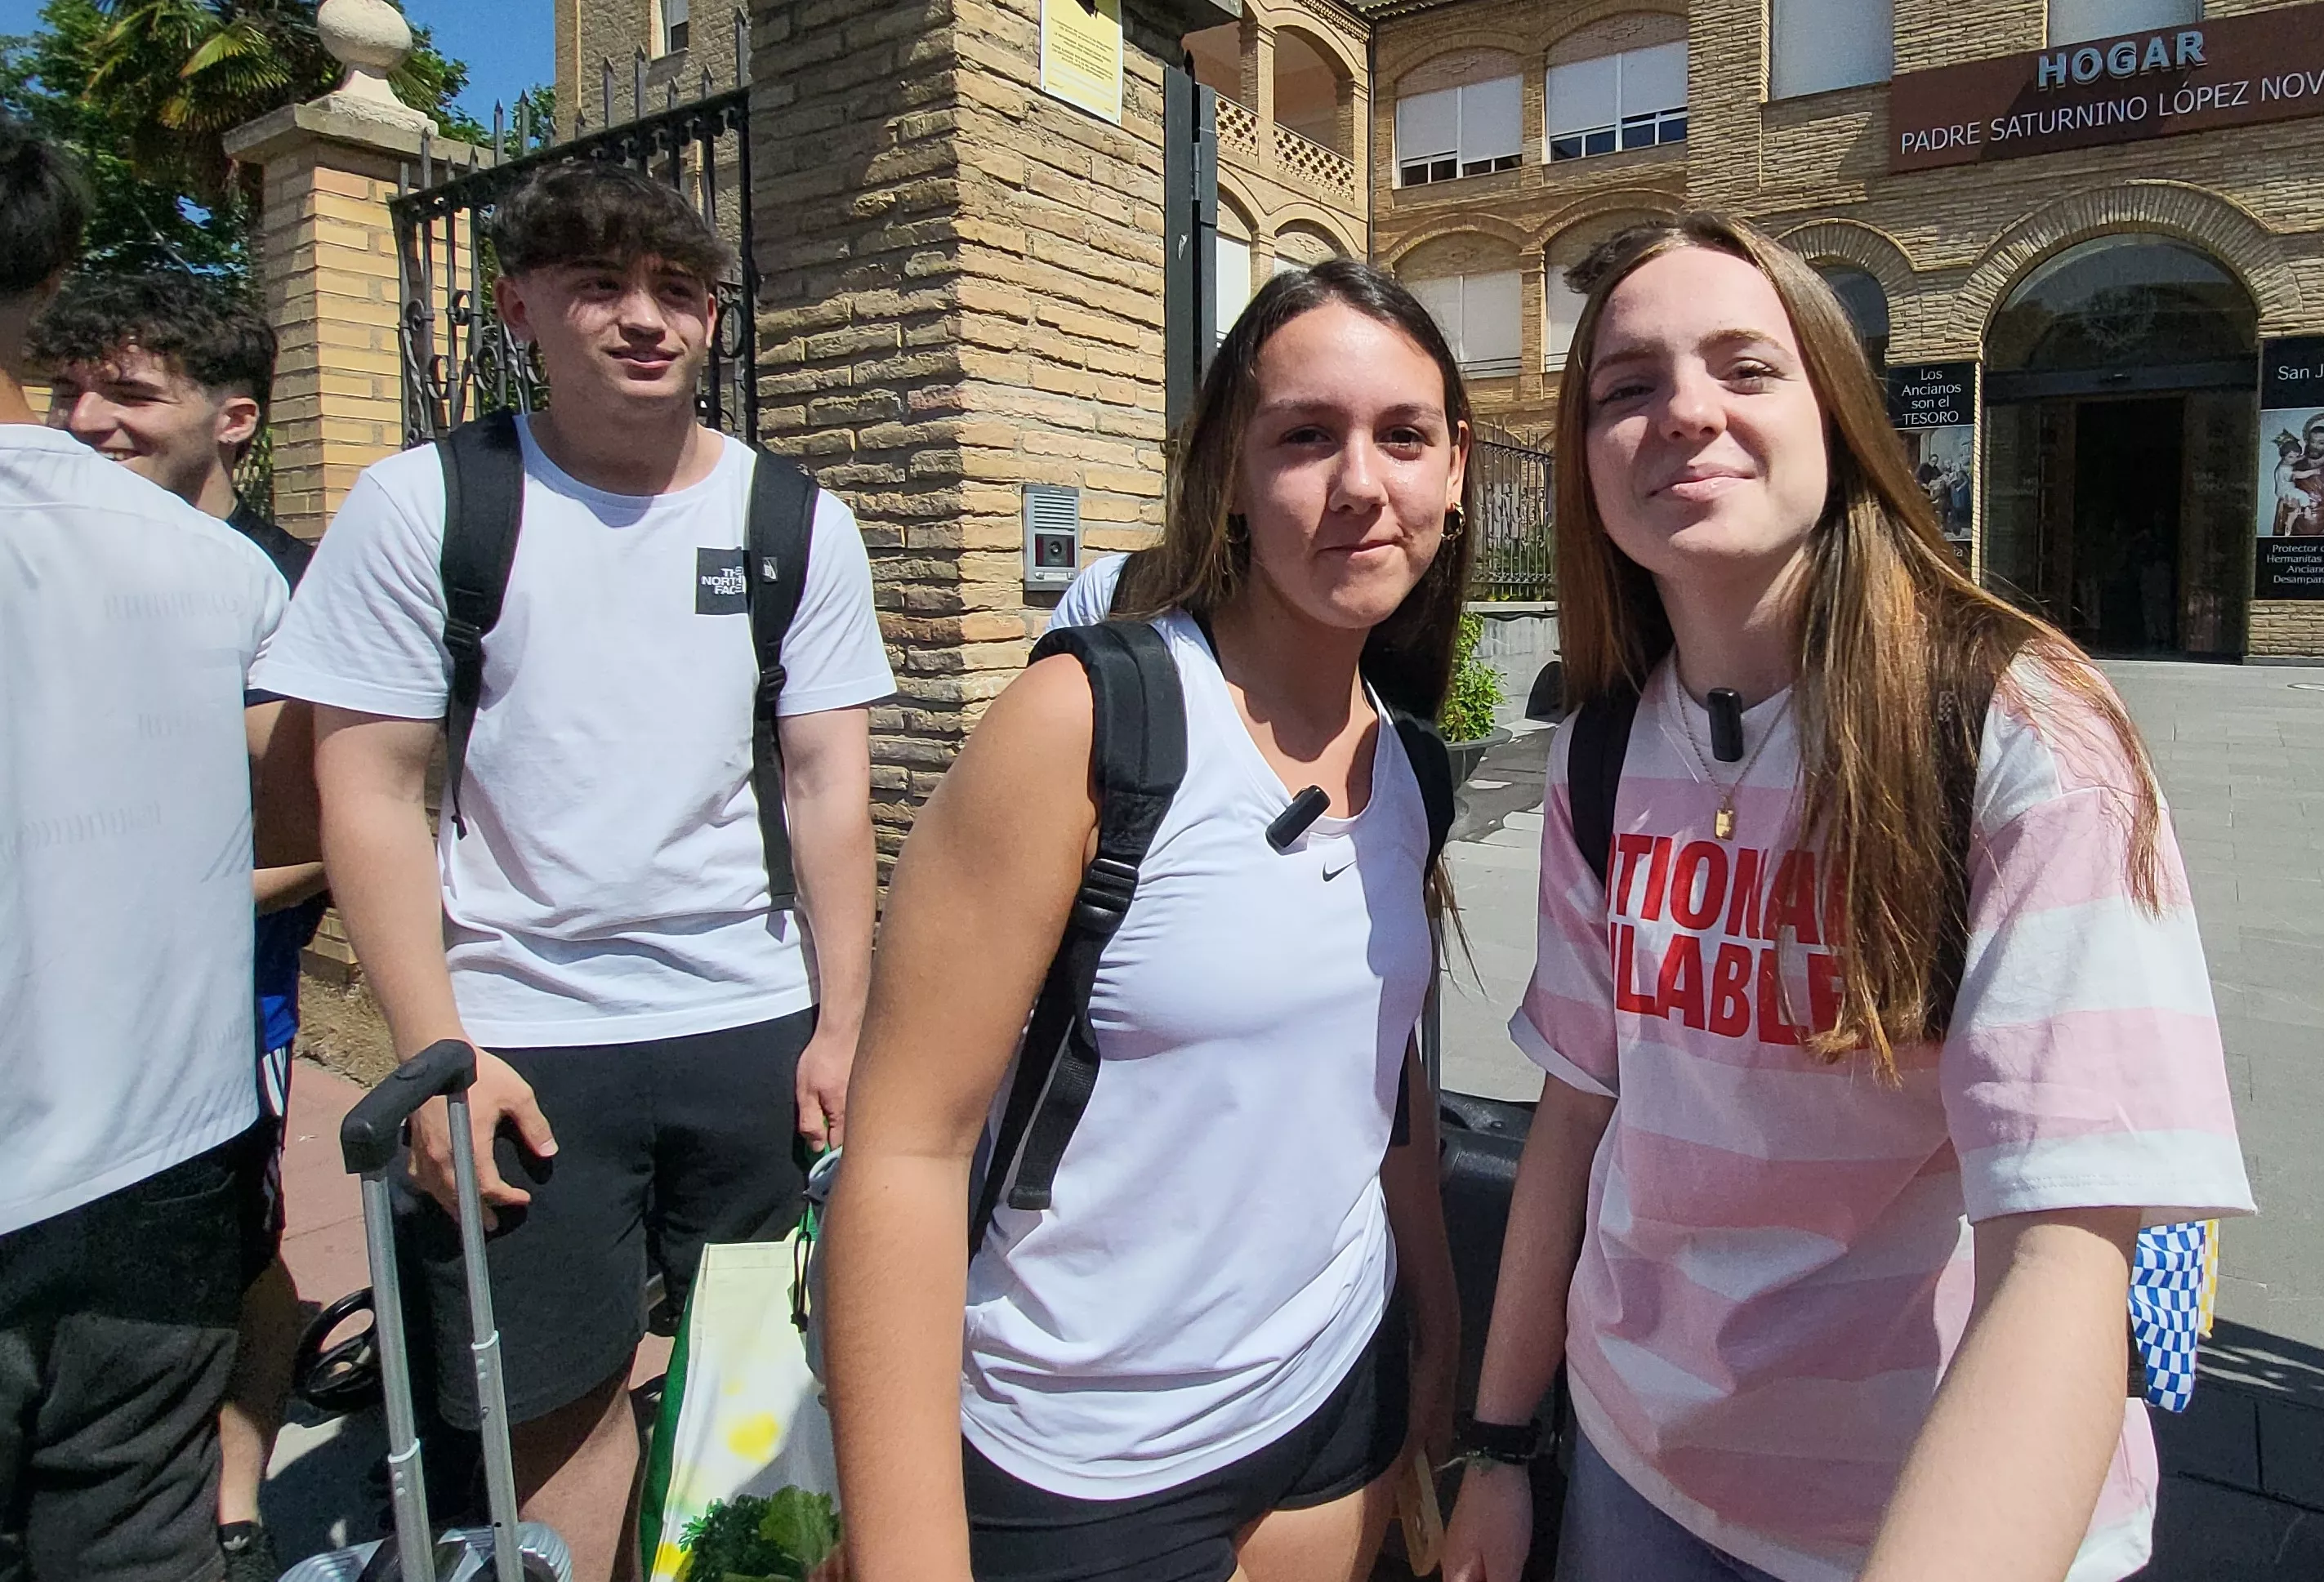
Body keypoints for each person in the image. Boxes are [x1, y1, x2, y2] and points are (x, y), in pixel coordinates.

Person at [1438, 215, 2252, 1582]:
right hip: (1638, 1483)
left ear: (1838, 415)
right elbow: (1576, 1124)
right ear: (1585, 462)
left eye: (1745, 368)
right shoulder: (1599, 751)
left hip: (1931, 1506)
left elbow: (2067, 1247)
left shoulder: (2019, 734)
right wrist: (1502, 1450)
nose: (1684, 410)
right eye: (1625, 388)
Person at [251, 161, 891, 1580]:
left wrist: (846, 1021)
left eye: (677, 292)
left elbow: (827, 786)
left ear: (716, 319)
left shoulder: (797, 523)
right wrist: (436, 1052)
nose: (643, 320)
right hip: (518, 1039)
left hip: (751, 1026)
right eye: (600, 287)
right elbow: (366, 787)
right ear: (523, 306)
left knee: (764, 1385)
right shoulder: (424, 506)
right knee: (549, 1411)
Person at [821, 260, 1471, 1582]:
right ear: (1230, 468)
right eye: (1306, 437)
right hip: (1078, 1446)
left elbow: (1376, 1059)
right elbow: (903, 1150)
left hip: (1335, 1389)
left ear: (1456, 474)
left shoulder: (1409, 762)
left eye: (1403, 437)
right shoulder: (1087, 722)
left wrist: (1438, 1323)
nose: (1363, 484)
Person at [0, 118, 316, 1582]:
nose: (89, 416)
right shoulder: (207, 578)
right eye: (76, 382)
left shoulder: (269, 584)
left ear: (234, 416)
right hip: (150, 1142)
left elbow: (314, 831)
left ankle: (239, 1507)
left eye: (128, 390)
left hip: (188, 1094)